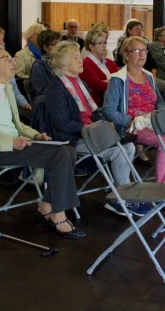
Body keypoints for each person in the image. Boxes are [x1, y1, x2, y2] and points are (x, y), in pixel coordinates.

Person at [0, 46, 84, 238]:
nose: (13, 61)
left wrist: (36, 135)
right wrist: (10, 142)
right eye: (6, 58)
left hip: (14, 144)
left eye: (11, 58)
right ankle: (57, 215)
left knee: (68, 150)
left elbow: (16, 125)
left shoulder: (6, 87)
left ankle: (46, 207)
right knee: (59, 154)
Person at [44, 41, 148, 217]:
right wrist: (91, 128)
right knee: (119, 151)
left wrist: (102, 124)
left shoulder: (79, 83)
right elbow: (62, 124)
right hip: (72, 139)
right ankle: (123, 199)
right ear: (62, 63)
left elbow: (94, 112)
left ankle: (121, 195)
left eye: (79, 56)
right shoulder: (56, 87)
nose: (81, 60)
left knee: (128, 146)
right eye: (75, 57)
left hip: (90, 134)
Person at [102, 36, 165, 206]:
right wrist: (129, 121)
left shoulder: (148, 77)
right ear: (126, 55)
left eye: (144, 50)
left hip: (154, 122)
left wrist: (163, 116)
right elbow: (108, 110)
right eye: (136, 50)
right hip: (132, 126)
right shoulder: (118, 80)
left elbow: (158, 101)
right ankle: (163, 192)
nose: (141, 54)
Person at [79, 28, 118, 106]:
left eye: (105, 43)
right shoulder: (85, 64)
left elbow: (121, 81)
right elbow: (99, 86)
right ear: (91, 46)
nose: (104, 46)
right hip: (98, 105)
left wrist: (106, 81)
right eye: (100, 43)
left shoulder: (110, 63)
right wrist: (113, 81)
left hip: (115, 101)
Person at [29, 29, 61, 103]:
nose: (59, 47)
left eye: (59, 44)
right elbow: (41, 91)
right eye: (54, 44)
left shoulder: (60, 62)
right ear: (45, 48)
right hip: (47, 104)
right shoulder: (39, 66)